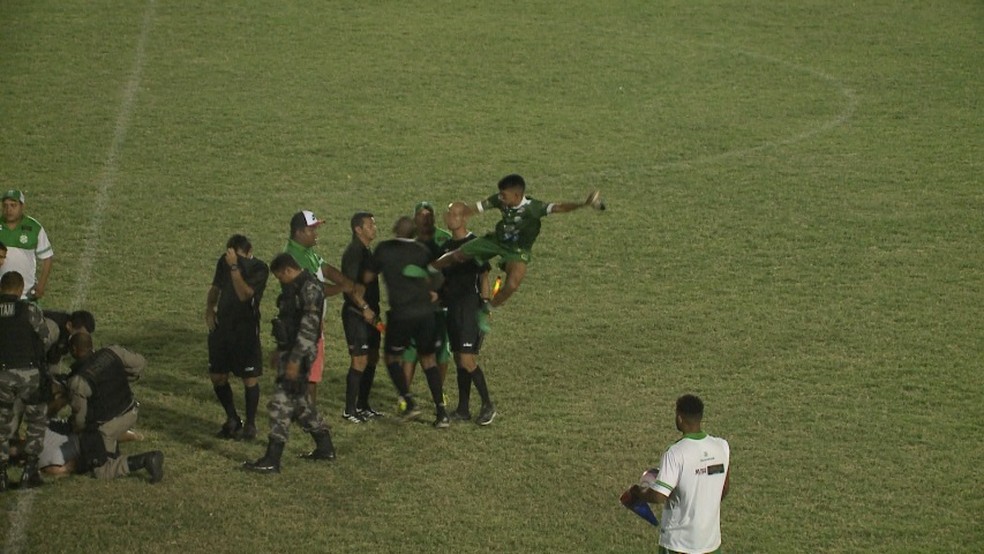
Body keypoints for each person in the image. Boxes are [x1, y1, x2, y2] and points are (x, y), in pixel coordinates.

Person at [415, 174, 602, 310]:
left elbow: (560, 207)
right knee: (457, 254)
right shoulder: (500, 199)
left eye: (504, 196)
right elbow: (477, 208)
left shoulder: (534, 208)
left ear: (517, 196)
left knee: (511, 285)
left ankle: (488, 308)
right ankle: (429, 269)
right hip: (496, 240)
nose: (501, 198)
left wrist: (583, 204)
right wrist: (462, 213)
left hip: (518, 250)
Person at [243, 254, 336, 474]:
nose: (280, 281)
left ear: (287, 270)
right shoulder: (295, 288)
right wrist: (280, 350)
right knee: (300, 403)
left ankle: (272, 459)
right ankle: (325, 446)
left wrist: (295, 359)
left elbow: (308, 327)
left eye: (279, 277)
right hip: (291, 351)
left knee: (280, 404)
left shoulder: (310, 288)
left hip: (300, 354)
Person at [622, 394, 731, 554]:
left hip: (678, 545)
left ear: (679, 418)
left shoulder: (675, 453)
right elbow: (724, 488)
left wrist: (638, 492)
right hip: (710, 543)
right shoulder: (721, 446)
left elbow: (659, 496)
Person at [283, 210, 371, 407]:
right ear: (299, 232)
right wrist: (343, 287)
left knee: (311, 372)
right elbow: (317, 289)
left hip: (313, 322)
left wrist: (348, 283)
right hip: (303, 323)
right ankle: (308, 415)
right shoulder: (293, 257)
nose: (316, 233)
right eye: (313, 229)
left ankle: (306, 412)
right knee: (308, 373)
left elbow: (326, 269)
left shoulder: (306, 251)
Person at [369, 216, 449, 428]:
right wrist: (432, 291)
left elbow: (368, 276)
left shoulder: (384, 249)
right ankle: (441, 412)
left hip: (402, 315)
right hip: (426, 314)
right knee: (429, 359)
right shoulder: (422, 251)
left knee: (392, 357)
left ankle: (409, 401)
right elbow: (438, 277)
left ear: (395, 228)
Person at [67, 332, 163, 483]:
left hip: (109, 425)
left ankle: (145, 460)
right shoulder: (112, 352)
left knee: (101, 471)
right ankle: (112, 450)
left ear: (73, 349)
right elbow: (140, 364)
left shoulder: (79, 381)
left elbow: (80, 422)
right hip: (131, 411)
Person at [205, 234, 269, 440]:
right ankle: (232, 419)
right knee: (217, 376)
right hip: (222, 328)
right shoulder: (224, 263)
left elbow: (244, 295)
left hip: (245, 330)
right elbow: (216, 287)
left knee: (249, 378)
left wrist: (235, 267)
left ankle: (250, 425)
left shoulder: (260, 268)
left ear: (249, 253)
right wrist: (209, 309)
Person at [440, 202, 496, 425]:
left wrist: (485, 305)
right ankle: (463, 409)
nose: (450, 218)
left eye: (455, 214)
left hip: (469, 307)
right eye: (449, 213)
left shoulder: (474, 244)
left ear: (464, 219)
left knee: (466, 358)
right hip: (452, 307)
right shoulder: (446, 246)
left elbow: (483, 276)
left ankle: (488, 404)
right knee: (458, 358)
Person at [0, 271, 52, 490]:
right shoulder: (29, 310)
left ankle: (1, 474)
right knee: (36, 421)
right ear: (21, 290)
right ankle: (29, 470)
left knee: (1, 423)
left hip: (2, 374)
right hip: (29, 373)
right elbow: (46, 338)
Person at [401, 201, 452, 390]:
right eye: (421, 216)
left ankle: (438, 392)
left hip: (441, 303)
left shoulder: (445, 238)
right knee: (410, 351)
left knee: (442, 352)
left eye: (428, 215)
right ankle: (404, 397)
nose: (425, 219)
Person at [339, 212, 383, 423]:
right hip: (357, 314)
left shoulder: (366, 250)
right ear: (358, 229)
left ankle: (363, 405)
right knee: (359, 360)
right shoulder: (354, 253)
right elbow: (349, 287)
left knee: (372, 357)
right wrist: (364, 307)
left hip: (372, 314)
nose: (374, 228)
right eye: (370, 225)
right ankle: (350, 410)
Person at [0, 190, 54, 300]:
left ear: (22, 206)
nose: (8, 210)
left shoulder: (34, 228)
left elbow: (47, 257)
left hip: (27, 294)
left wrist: (41, 285)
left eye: (13, 205)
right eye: (5, 206)